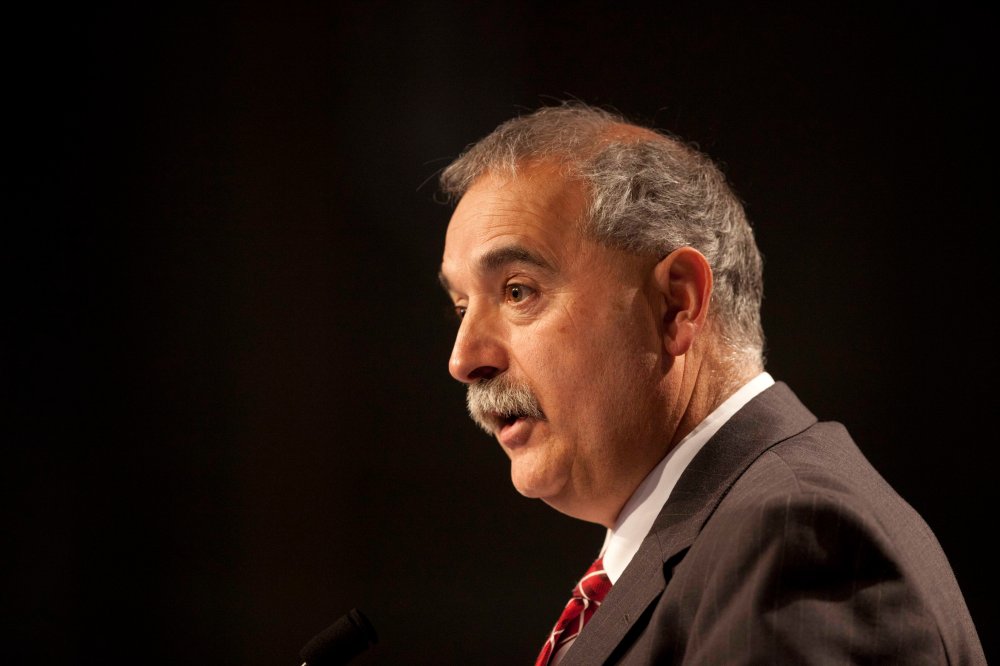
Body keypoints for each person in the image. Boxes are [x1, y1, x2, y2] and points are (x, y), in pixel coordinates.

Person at [436, 102, 985, 665]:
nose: (464, 359)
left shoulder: (792, 538)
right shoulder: (712, 541)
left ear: (676, 303)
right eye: (460, 308)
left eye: (518, 291)